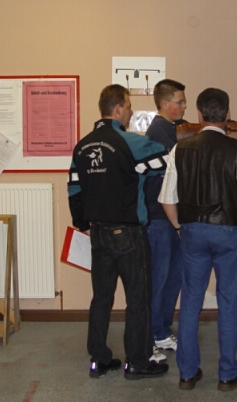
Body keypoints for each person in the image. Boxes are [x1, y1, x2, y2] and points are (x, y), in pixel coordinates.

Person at [158, 88, 237, 391]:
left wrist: (179, 226)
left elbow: (167, 199)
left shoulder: (180, 149)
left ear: (200, 114)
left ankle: (187, 374)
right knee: (230, 300)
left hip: (192, 232)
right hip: (229, 232)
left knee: (191, 299)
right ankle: (227, 374)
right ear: (227, 114)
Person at [67, 84, 170, 381]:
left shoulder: (82, 146)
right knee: (138, 299)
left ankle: (99, 359)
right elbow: (166, 161)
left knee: (101, 298)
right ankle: (137, 362)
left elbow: (74, 187)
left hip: (98, 233)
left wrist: (82, 223)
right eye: (128, 106)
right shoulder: (130, 142)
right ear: (117, 109)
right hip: (129, 234)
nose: (131, 111)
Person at [144, 79, 187, 355]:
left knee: (173, 276)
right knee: (160, 279)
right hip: (159, 218)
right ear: (164, 103)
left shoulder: (171, 129)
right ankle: (155, 333)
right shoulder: (160, 132)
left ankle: (161, 329)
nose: (184, 106)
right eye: (179, 102)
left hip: (168, 217)